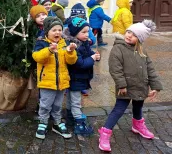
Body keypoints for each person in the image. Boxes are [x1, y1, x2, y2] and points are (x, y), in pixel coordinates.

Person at [98, 20, 162, 152]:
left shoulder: (142, 50)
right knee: (119, 109)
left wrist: (155, 86)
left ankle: (137, 125)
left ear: (140, 39)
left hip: (140, 86)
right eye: (128, 32)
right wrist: (121, 85)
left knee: (138, 106)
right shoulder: (118, 48)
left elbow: (150, 68)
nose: (129, 35)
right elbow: (115, 69)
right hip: (125, 87)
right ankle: (105, 133)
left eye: (134, 35)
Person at [33, 17, 77, 140]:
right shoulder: (41, 42)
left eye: (59, 30)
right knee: (45, 104)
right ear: (47, 31)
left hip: (61, 81)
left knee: (58, 104)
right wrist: (49, 50)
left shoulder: (64, 43)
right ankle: (43, 122)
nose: (57, 32)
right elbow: (37, 57)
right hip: (47, 81)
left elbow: (71, 61)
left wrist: (71, 52)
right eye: (54, 30)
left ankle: (57, 123)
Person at [63, 17, 101, 136]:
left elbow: (89, 53)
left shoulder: (83, 43)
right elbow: (79, 64)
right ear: (75, 33)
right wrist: (92, 59)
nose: (87, 34)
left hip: (78, 78)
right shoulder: (74, 46)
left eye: (87, 31)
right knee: (75, 102)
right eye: (83, 32)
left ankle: (70, 118)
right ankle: (79, 124)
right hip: (75, 77)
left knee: (71, 98)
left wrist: (94, 55)